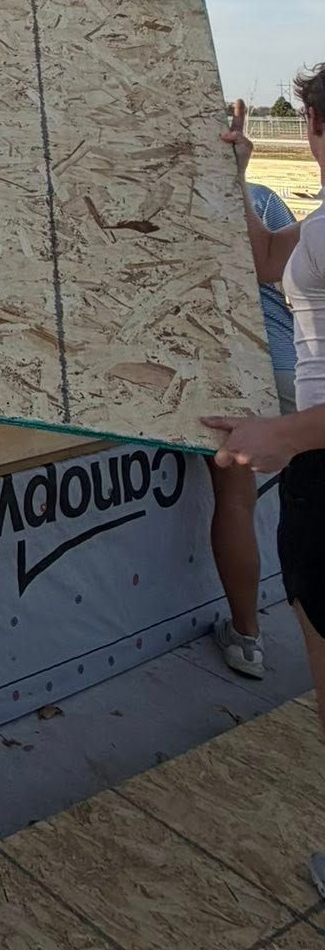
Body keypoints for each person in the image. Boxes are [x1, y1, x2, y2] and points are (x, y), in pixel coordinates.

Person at [204, 75, 325, 903]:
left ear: (314, 123)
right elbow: (265, 262)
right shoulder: (315, 221)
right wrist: (239, 172)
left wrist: (277, 435)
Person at [209, 181, 299, 676]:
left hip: (229, 376)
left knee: (236, 500)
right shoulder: (260, 197)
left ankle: (247, 639)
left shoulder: (156, 199)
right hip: (291, 369)